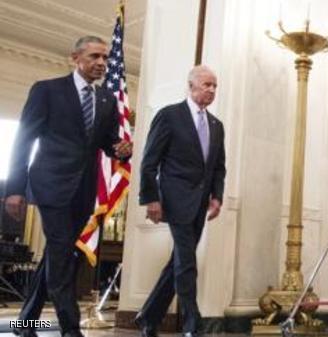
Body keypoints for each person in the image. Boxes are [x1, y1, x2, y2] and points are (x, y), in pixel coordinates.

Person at [5, 36, 132, 337]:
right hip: (50, 185)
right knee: (63, 254)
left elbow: (106, 142)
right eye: (95, 56)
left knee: (57, 254)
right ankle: (70, 328)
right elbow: (24, 140)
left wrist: (119, 149)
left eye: (105, 58)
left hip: (84, 190)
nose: (102, 63)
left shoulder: (107, 100)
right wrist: (14, 188)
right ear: (76, 57)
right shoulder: (47, 91)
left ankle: (26, 324)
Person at [135, 65, 226, 337]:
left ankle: (148, 316)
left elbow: (218, 167)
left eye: (214, 86)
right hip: (174, 201)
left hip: (200, 205)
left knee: (178, 260)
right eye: (207, 84)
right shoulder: (169, 116)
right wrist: (151, 198)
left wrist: (217, 197)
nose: (211, 90)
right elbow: (150, 162)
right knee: (186, 262)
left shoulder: (216, 125)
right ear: (191, 85)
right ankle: (192, 324)